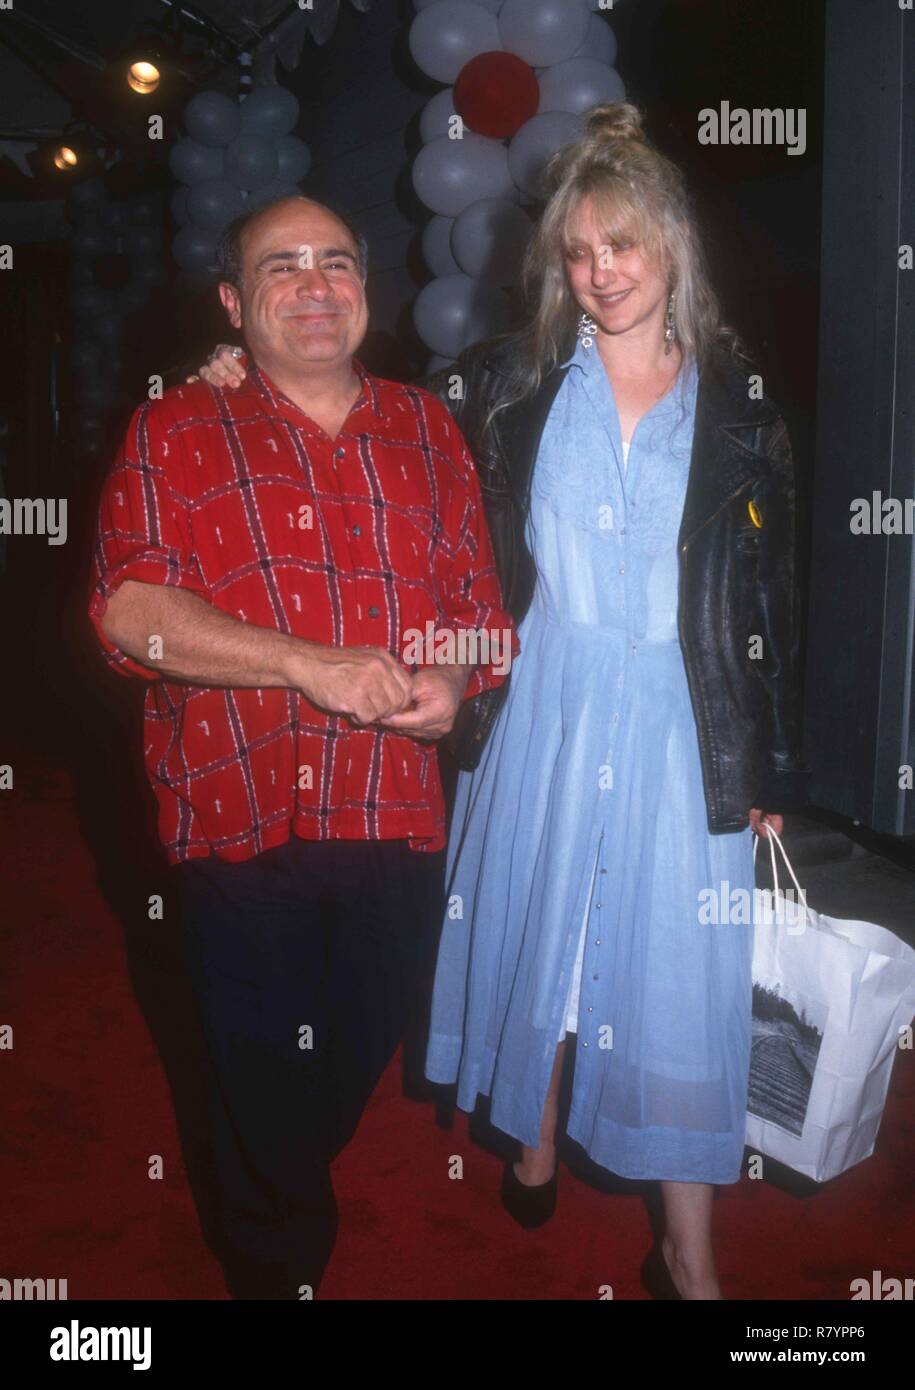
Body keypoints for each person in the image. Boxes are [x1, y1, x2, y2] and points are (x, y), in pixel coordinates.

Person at [195, 102, 808, 1300]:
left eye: (622, 246)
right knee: (543, 927)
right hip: (544, 705)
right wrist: (242, 368)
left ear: (671, 244)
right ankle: (530, 1125)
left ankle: (689, 1248)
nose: (601, 273)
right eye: (578, 253)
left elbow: (769, 602)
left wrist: (772, 769)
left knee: (676, 973)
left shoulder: (740, 411)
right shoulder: (508, 387)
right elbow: (364, 409)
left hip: (685, 721)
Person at [88, 195, 516, 1299]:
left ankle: (262, 1172)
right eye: (282, 268)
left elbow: (477, 605)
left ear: (367, 287)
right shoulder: (175, 426)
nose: (315, 285)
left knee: (353, 1043)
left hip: (394, 810)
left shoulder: (429, 427)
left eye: (336, 262)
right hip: (239, 813)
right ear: (234, 303)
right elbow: (128, 611)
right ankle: (277, 1263)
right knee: (260, 1070)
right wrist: (303, 662)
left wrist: (455, 676)